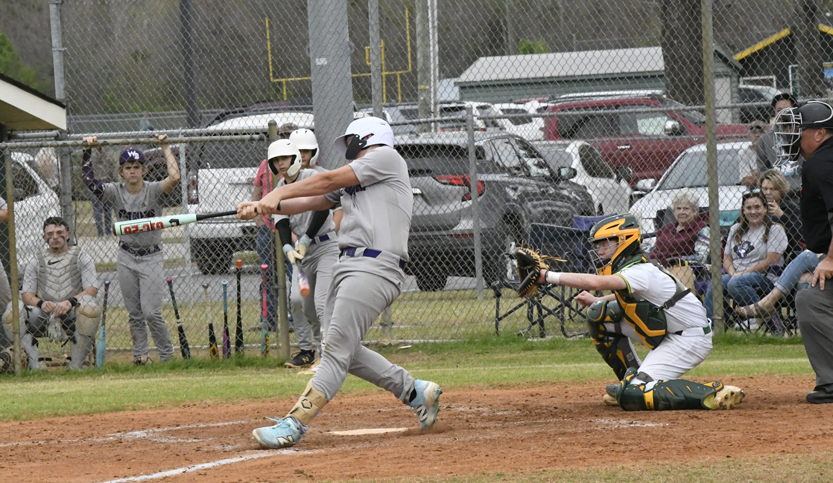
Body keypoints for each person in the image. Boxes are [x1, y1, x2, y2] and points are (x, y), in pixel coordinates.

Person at [236, 116, 442, 448]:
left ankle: (295, 422)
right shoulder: (356, 181)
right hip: (350, 264)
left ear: (367, 137)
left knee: (333, 350)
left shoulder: (386, 158)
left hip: (375, 266)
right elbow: (308, 201)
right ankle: (416, 391)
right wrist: (263, 205)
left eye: (350, 141)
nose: (347, 148)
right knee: (343, 347)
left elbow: (326, 180)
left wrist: (280, 193)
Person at [522, 214, 744, 411]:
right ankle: (631, 382)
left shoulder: (639, 271)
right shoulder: (634, 268)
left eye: (604, 244)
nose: (599, 251)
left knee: (634, 395)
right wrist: (597, 300)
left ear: (624, 241)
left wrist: (547, 276)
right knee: (598, 314)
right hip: (669, 330)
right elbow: (630, 294)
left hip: (689, 340)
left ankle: (710, 393)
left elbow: (594, 282)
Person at [82, 135, 180, 365]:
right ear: (121, 171)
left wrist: (165, 146)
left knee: (151, 313)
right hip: (126, 256)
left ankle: (168, 357)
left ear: (144, 170)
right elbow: (90, 182)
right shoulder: (115, 191)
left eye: (137, 167)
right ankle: (141, 357)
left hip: (152, 256)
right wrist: (88, 151)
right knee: (134, 314)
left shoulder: (153, 190)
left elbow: (174, 176)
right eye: (128, 167)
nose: (133, 171)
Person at [773, 101, 833, 403]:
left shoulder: (821, 164)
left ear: (820, 134)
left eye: (798, 130)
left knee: (812, 298)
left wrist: (831, 259)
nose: (790, 136)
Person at [267, 137, 340, 369]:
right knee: (304, 306)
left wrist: (306, 237)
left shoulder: (313, 177)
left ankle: (328, 358)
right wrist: (287, 246)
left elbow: (322, 207)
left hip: (326, 246)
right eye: (276, 160)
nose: (281, 164)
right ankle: (317, 352)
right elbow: (281, 222)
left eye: (285, 158)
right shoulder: (279, 189)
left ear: (295, 158)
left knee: (322, 303)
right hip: (303, 255)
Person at [2, 217, 99, 370]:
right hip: (43, 313)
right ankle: (35, 364)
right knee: (11, 312)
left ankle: (75, 366)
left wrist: (70, 302)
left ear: (67, 234)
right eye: (50, 233)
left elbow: (91, 290)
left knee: (90, 308)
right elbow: (26, 295)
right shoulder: (36, 261)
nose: (54, 237)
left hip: (73, 310)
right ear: (44, 237)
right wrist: (41, 303)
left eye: (59, 233)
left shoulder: (81, 257)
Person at [736, 170, 815, 331]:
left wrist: (781, 215)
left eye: (773, 189)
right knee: (730, 281)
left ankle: (774, 318)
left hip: (784, 261)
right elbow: (739, 231)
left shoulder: (790, 208)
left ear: (781, 190)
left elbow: (802, 237)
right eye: (765, 189)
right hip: (752, 259)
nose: (768, 192)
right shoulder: (755, 209)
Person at [252, 122, 307, 336]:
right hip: (268, 229)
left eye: (288, 136)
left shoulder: (302, 169)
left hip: (294, 231)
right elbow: (257, 192)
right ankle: (268, 320)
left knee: (296, 274)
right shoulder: (267, 165)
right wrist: (258, 220)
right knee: (268, 277)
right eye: (281, 136)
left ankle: (295, 319)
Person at [702, 190, 787, 331]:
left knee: (736, 283)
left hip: (765, 277)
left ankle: (768, 319)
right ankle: (709, 327)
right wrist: (733, 273)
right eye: (748, 208)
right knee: (716, 283)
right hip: (736, 275)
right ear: (743, 210)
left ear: (765, 208)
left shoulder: (774, 229)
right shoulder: (736, 229)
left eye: (757, 207)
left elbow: (771, 261)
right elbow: (727, 258)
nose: (753, 211)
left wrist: (741, 274)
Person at [647, 188, 710, 267]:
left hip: (681, 270)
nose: (681, 212)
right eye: (678, 208)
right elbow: (654, 249)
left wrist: (675, 260)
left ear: (695, 211)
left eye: (686, 209)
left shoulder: (702, 229)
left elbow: (700, 258)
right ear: (674, 211)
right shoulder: (666, 228)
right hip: (655, 267)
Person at [83, 143, 117, 238]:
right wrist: (116, 183)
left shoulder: (90, 158)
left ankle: (101, 234)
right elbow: (113, 173)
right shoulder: (108, 158)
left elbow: (86, 171)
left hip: (93, 184)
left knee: (97, 209)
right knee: (107, 209)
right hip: (105, 184)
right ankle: (108, 232)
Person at [741, 121, 768, 187]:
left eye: (761, 132)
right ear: (749, 135)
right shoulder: (744, 153)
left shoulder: (771, 150)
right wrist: (765, 174)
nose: (757, 135)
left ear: (767, 135)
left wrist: (756, 173)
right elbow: (747, 180)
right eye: (754, 132)